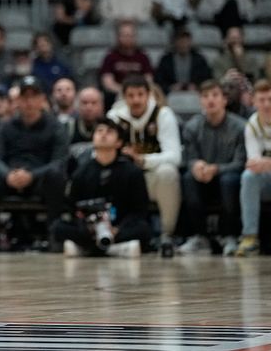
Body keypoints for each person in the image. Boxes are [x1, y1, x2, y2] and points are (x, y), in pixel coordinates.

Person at [0, 76, 69, 252]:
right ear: (17, 100)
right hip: (9, 179)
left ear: (42, 99)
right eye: (24, 97)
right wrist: (8, 175)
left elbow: (59, 161)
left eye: (33, 96)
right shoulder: (6, 126)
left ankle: (53, 232)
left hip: (39, 179)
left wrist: (32, 176)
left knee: (57, 176)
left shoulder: (56, 126)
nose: (29, 101)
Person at [51, 118, 150, 258]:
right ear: (93, 138)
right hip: (89, 227)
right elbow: (72, 207)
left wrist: (117, 229)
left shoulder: (132, 172)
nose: (103, 134)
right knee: (58, 227)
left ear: (119, 142)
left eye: (109, 132)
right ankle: (115, 249)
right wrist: (87, 226)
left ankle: (87, 249)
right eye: (99, 131)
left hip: (118, 225)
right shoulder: (82, 172)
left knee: (143, 229)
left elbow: (139, 210)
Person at [107, 74, 182, 257]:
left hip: (151, 176)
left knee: (168, 172)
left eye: (140, 94)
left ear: (149, 95)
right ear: (124, 97)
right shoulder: (114, 116)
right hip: (124, 178)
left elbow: (175, 156)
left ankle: (166, 234)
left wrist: (143, 160)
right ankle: (112, 231)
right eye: (131, 95)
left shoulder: (163, 115)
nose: (136, 100)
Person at [179, 80, 246, 256]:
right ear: (200, 101)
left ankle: (229, 235)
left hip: (228, 177)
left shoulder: (240, 126)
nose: (210, 100)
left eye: (215, 95)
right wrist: (196, 165)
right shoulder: (192, 126)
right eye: (205, 96)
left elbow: (241, 162)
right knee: (187, 177)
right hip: (202, 178)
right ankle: (200, 236)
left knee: (229, 180)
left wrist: (216, 169)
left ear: (224, 99)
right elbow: (187, 158)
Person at [236, 80, 271, 256]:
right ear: (254, 102)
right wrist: (264, 164)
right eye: (262, 100)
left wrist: (268, 163)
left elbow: (263, 163)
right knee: (248, 176)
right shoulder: (251, 125)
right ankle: (250, 236)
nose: (266, 104)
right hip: (267, 180)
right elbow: (254, 162)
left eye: (270, 99)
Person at [100, 21, 154, 101]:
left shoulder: (143, 57)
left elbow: (148, 80)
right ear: (118, 37)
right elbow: (108, 82)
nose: (127, 38)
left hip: (139, 94)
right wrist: (126, 91)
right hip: (116, 95)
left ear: (135, 37)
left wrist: (136, 92)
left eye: (130, 35)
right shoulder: (110, 56)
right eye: (124, 35)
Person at [155, 28, 212, 93]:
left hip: (196, 93)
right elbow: (158, 81)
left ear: (190, 42)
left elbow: (207, 79)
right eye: (180, 41)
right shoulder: (166, 60)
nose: (183, 44)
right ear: (175, 42)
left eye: (186, 41)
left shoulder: (200, 60)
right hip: (171, 94)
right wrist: (170, 87)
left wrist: (197, 86)